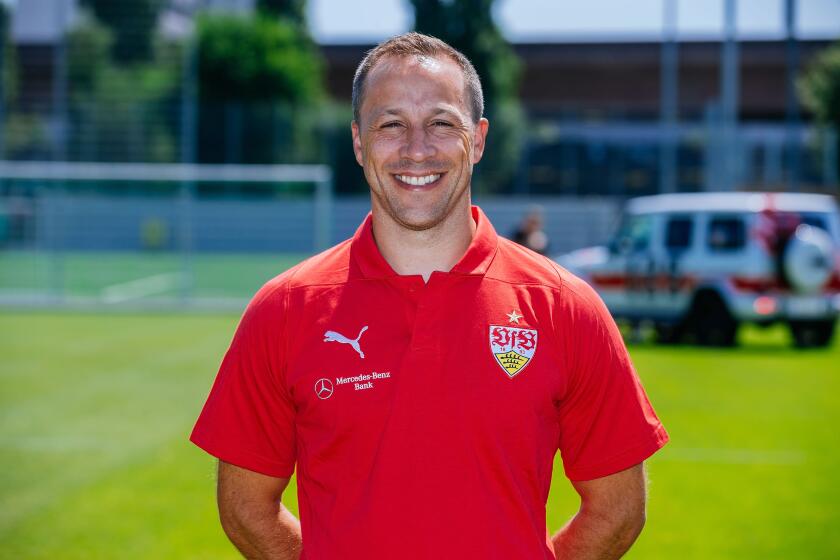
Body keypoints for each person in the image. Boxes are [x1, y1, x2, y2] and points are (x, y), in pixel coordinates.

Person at [191, 32, 668, 560]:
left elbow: (619, 508)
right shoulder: (284, 310)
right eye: (391, 124)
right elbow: (244, 507)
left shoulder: (566, 307)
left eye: (442, 123)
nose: (417, 148)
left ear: (479, 139)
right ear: (357, 141)